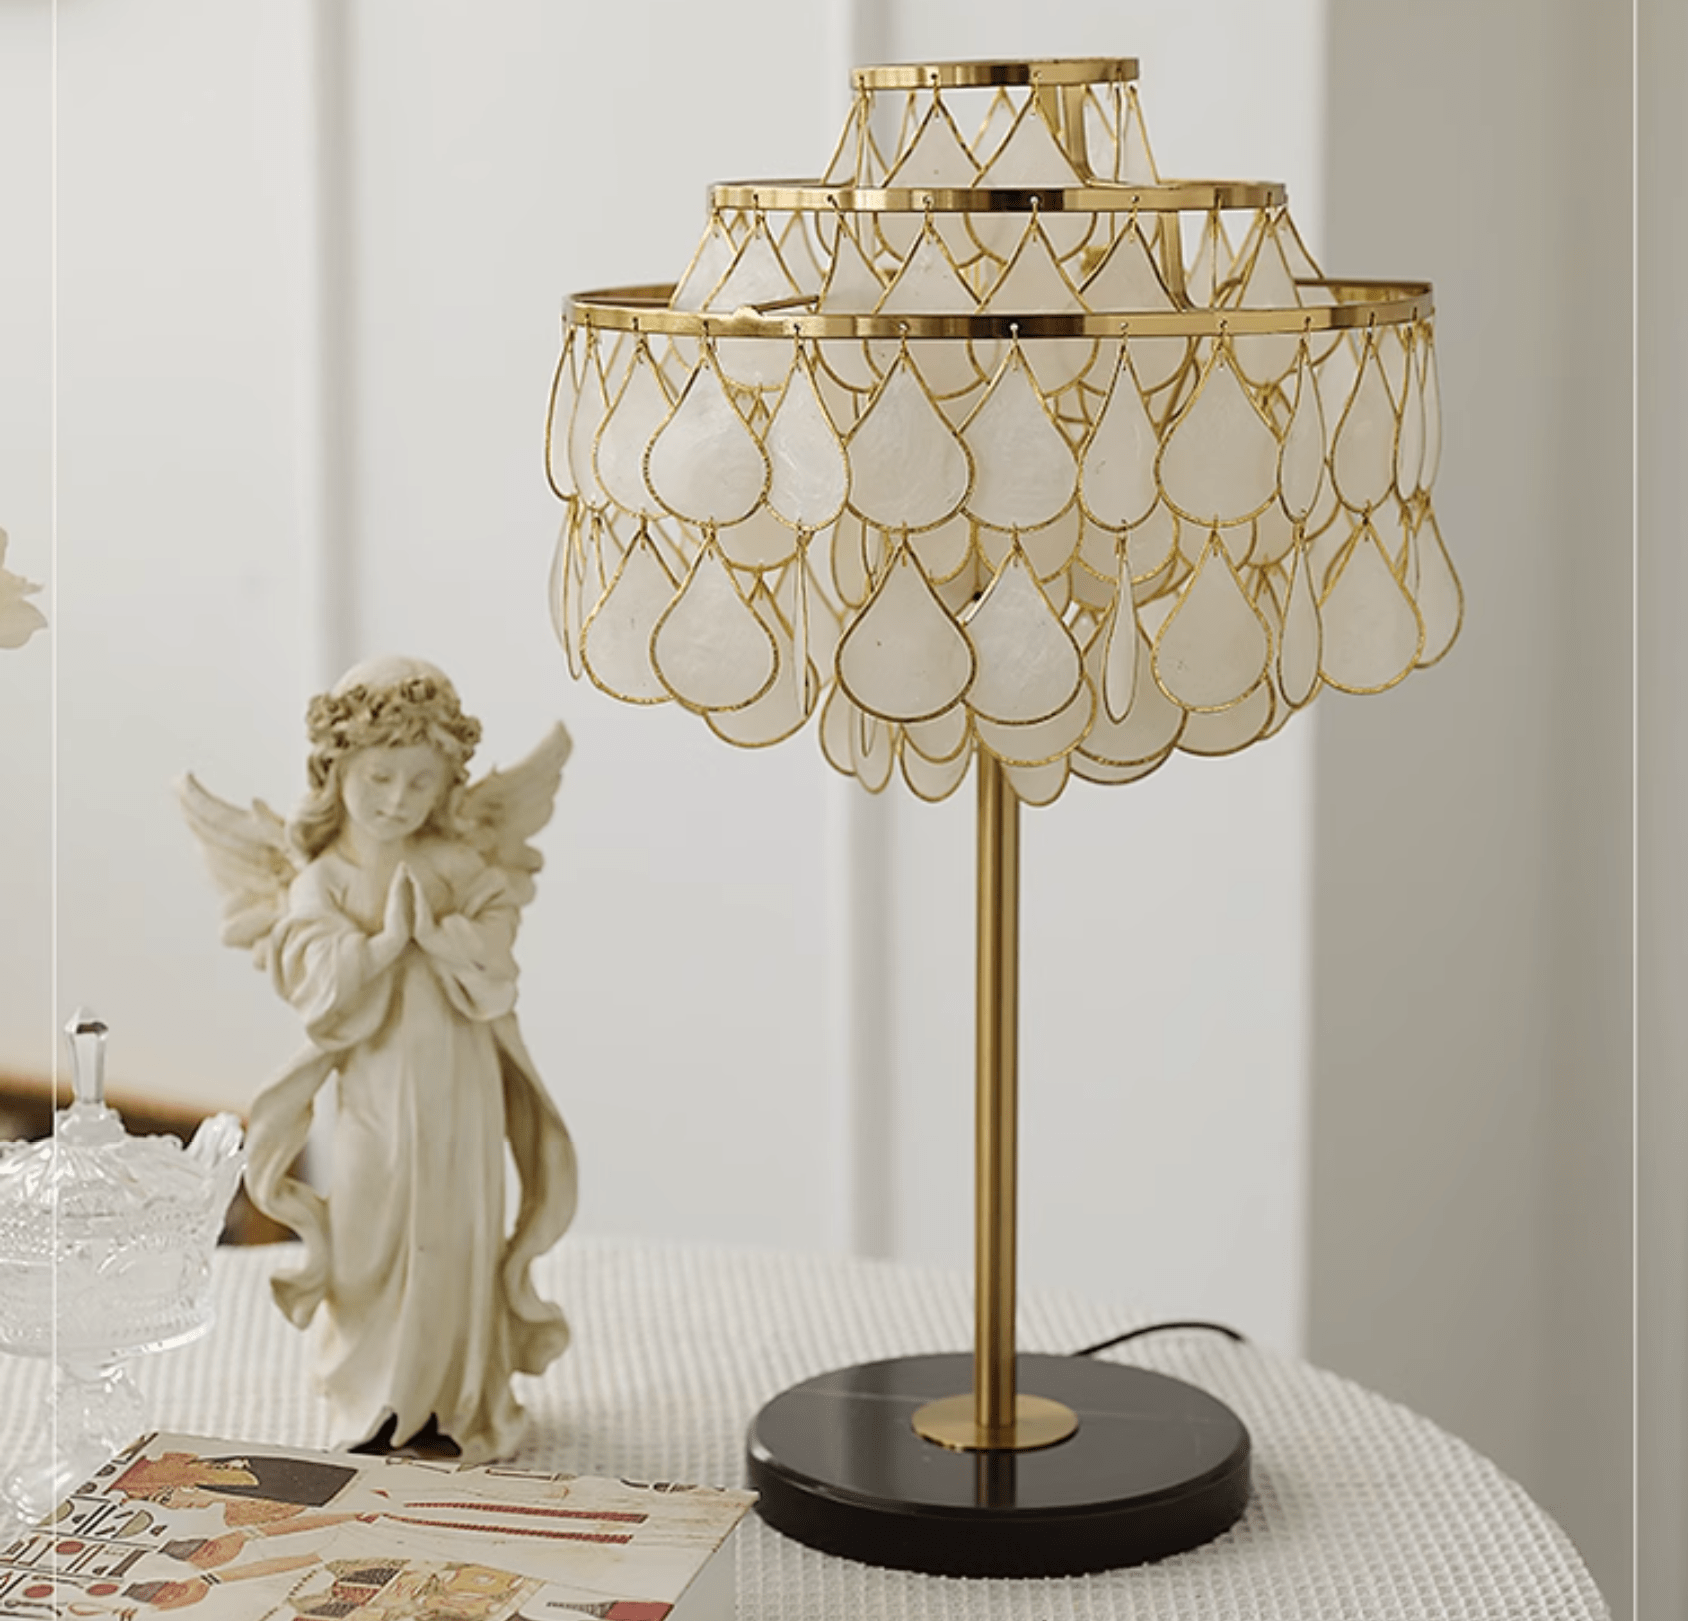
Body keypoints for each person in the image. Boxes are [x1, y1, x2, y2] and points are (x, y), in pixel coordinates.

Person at [212, 657, 576, 1465]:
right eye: (378, 777)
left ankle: (455, 1400)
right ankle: (373, 1397)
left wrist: (438, 935)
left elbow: (497, 953)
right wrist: (381, 946)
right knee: (371, 1227)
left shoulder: (454, 864)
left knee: (455, 1227)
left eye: (420, 782)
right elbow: (312, 978)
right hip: (374, 1085)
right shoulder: (326, 876)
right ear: (335, 770)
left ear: (447, 784)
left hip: (463, 1081)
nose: (397, 800)